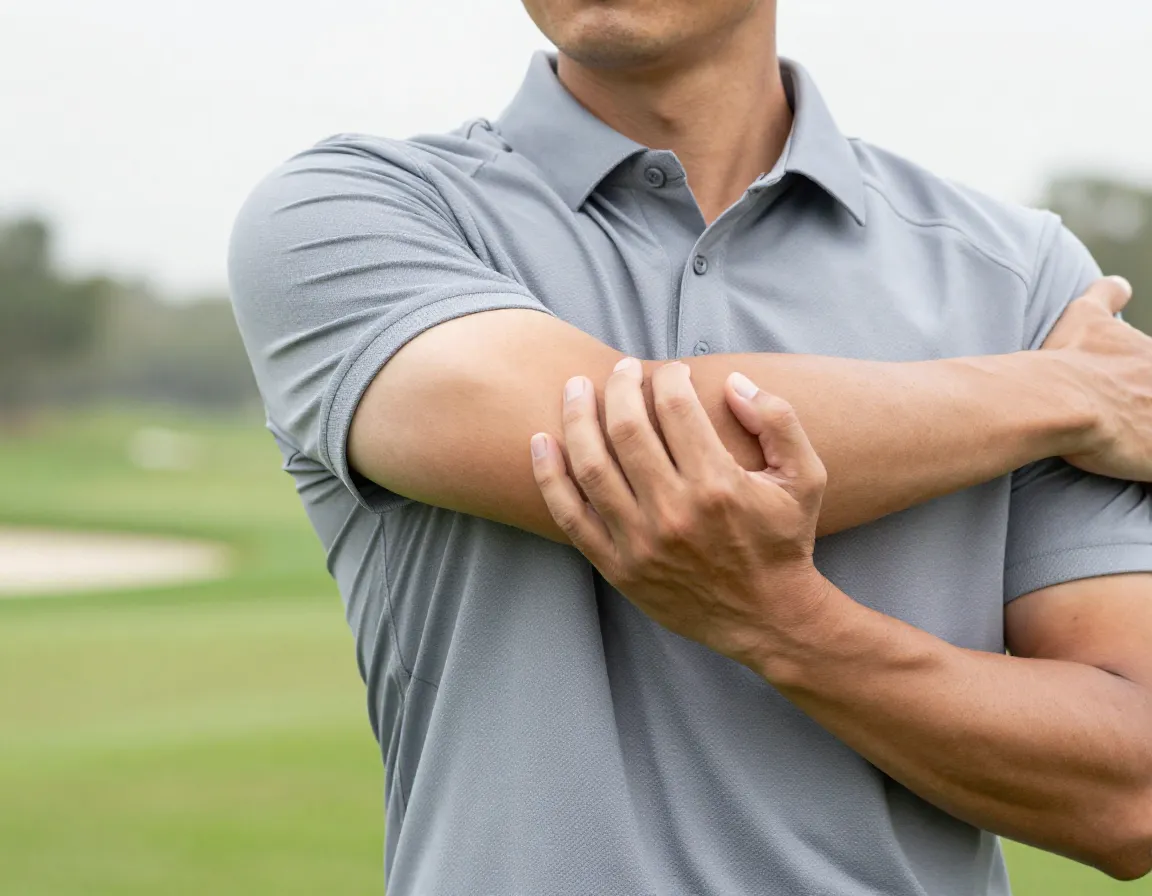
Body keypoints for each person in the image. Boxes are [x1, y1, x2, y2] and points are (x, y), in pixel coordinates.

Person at [227, 1, 1152, 893]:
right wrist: (1062, 392)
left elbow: (1129, 795)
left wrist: (791, 631)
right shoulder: (348, 212)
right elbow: (646, 452)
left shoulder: (1023, 277)